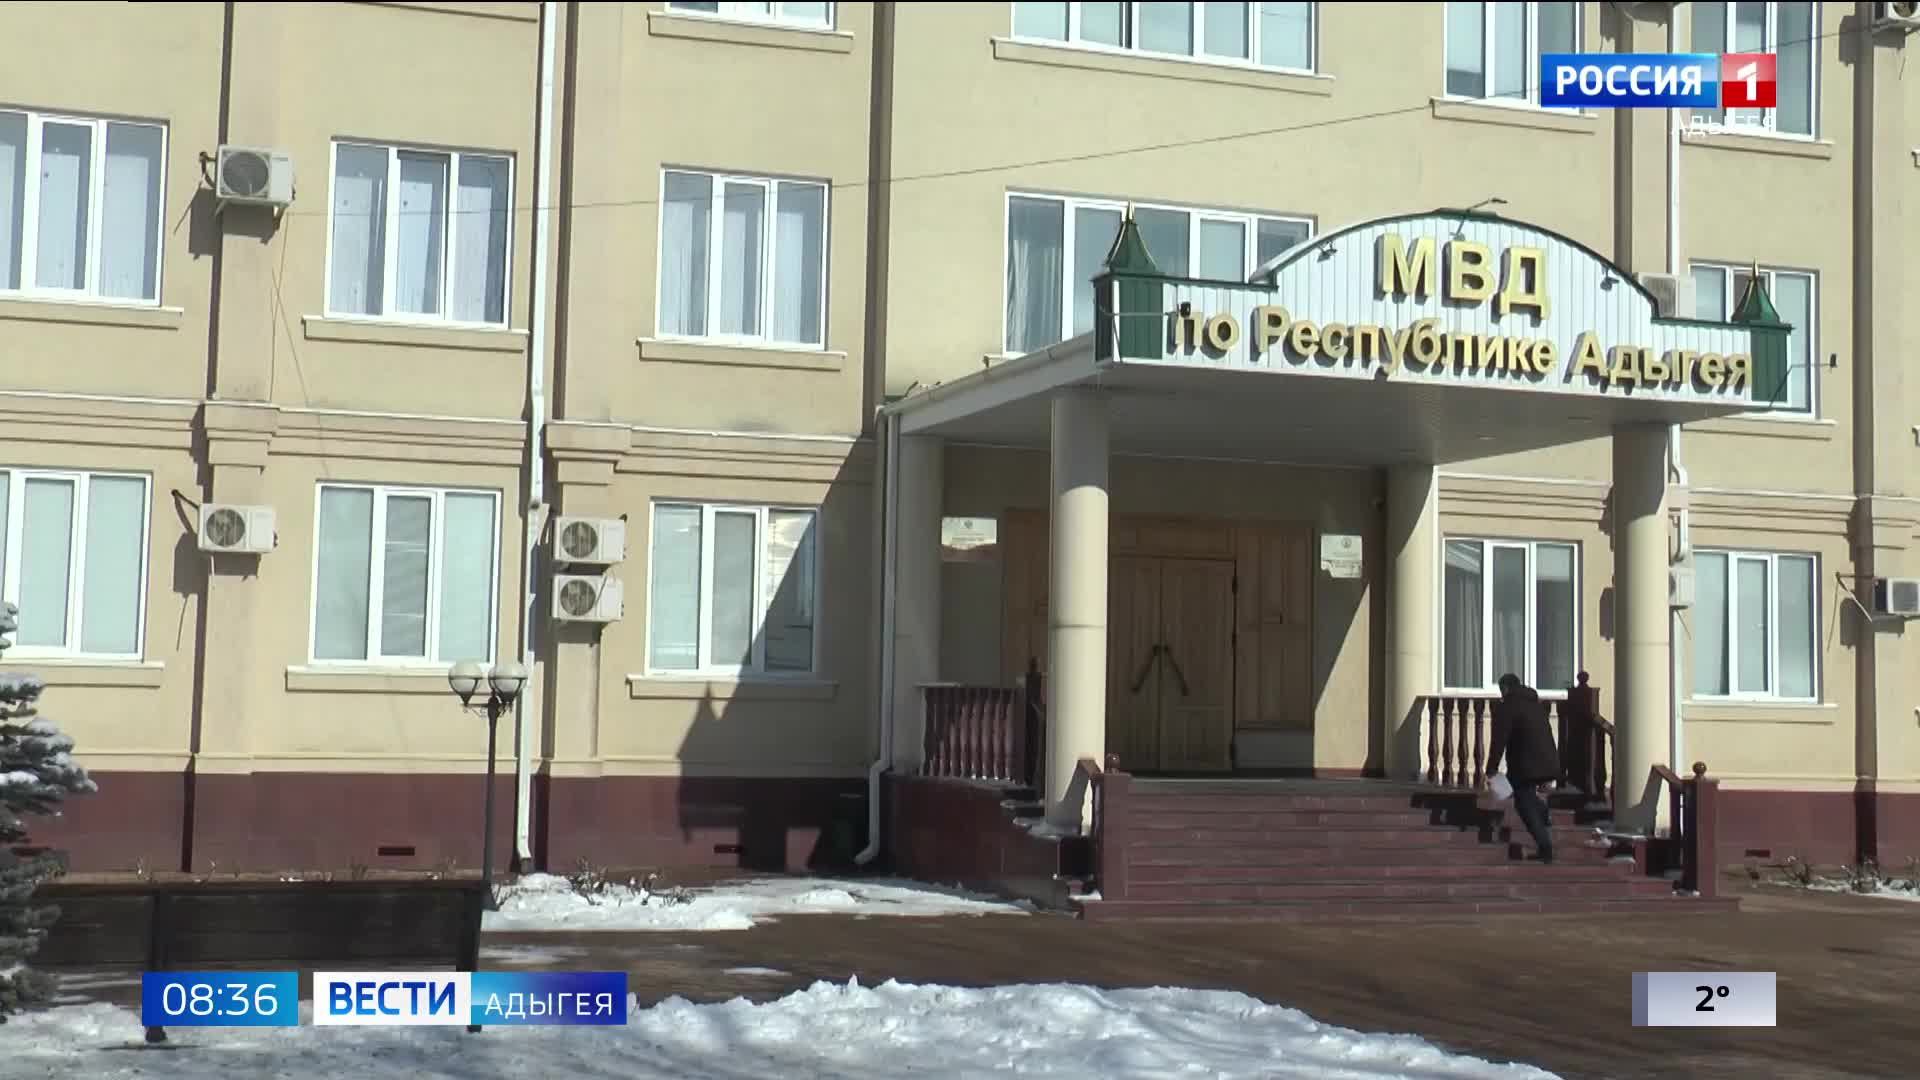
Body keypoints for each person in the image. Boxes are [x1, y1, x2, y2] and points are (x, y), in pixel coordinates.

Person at [1485, 673, 1560, 864]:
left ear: (1505, 688)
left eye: (1501, 690)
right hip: (1547, 760)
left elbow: (1499, 740)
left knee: (1524, 803)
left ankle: (1545, 848)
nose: (1501, 694)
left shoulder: (1508, 707)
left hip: (1525, 763)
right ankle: (1542, 811)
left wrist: (1491, 768)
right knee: (1526, 795)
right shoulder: (1534, 704)